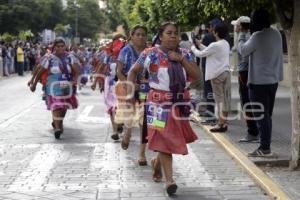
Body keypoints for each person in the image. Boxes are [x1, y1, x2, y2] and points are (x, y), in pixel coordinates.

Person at [128, 22, 200, 195]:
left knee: (169, 138)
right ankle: (169, 181)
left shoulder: (185, 54)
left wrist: (181, 60)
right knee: (163, 137)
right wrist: (132, 89)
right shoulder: (150, 53)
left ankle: (157, 163)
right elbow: (132, 71)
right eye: (169, 33)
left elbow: (197, 75)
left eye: (176, 33)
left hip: (178, 103)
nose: (173, 36)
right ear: (161, 36)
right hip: (156, 103)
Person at [239, 8, 283, 157]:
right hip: (273, 81)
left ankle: (265, 148)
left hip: (258, 83)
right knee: (267, 115)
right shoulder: (276, 33)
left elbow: (243, 51)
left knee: (261, 115)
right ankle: (265, 146)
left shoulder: (257, 36)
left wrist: (241, 35)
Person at [29, 38, 80, 139]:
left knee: (64, 107)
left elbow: (77, 71)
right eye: (58, 46)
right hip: (53, 86)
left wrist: (74, 81)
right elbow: (40, 70)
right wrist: (34, 83)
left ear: (65, 46)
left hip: (67, 85)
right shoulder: (49, 58)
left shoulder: (70, 57)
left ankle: (58, 122)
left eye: (62, 46)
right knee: (56, 105)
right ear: (54, 47)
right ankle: (57, 128)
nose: (60, 48)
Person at [114, 25, 148, 166]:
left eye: (143, 34)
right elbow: (119, 71)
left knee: (143, 121)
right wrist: (129, 85)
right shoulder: (126, 50)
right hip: (128, 88)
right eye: (137, 34)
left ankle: (141, 154)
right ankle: (127, 132)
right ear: (132, 36)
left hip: (145, 89)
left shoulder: (150, 51)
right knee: (129, 116)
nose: (140, 37)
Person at [191, 23, 231, 132]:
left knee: (219, 99)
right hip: (225, 73)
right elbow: (209, 51)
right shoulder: (225, 43)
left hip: (216, 75)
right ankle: (224, 122)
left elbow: (201, 54)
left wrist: (193, 47)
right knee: (225, 98)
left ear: (216, 32)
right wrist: (199, 44)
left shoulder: (215, 45)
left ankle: (220, 124)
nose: (212, 31)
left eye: (213, 30)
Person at [231, 16, 260, 142]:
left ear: (241, 26)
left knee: (246, 103)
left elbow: (245, 54)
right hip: (250, 72)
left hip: (245, 72)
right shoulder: (252, 36)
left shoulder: (245, 37)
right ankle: (257, 131)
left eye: (236, 25)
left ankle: (252, 132)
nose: (235, 27)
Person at [199, 18, 223, 125]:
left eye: (211, 26)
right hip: (221, 69)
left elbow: (202, 52)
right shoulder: (225, 38)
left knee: (208, 92)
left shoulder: (208, 37)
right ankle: (222, 117)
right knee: (219, 93)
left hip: (208, 68)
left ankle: (210, 116)